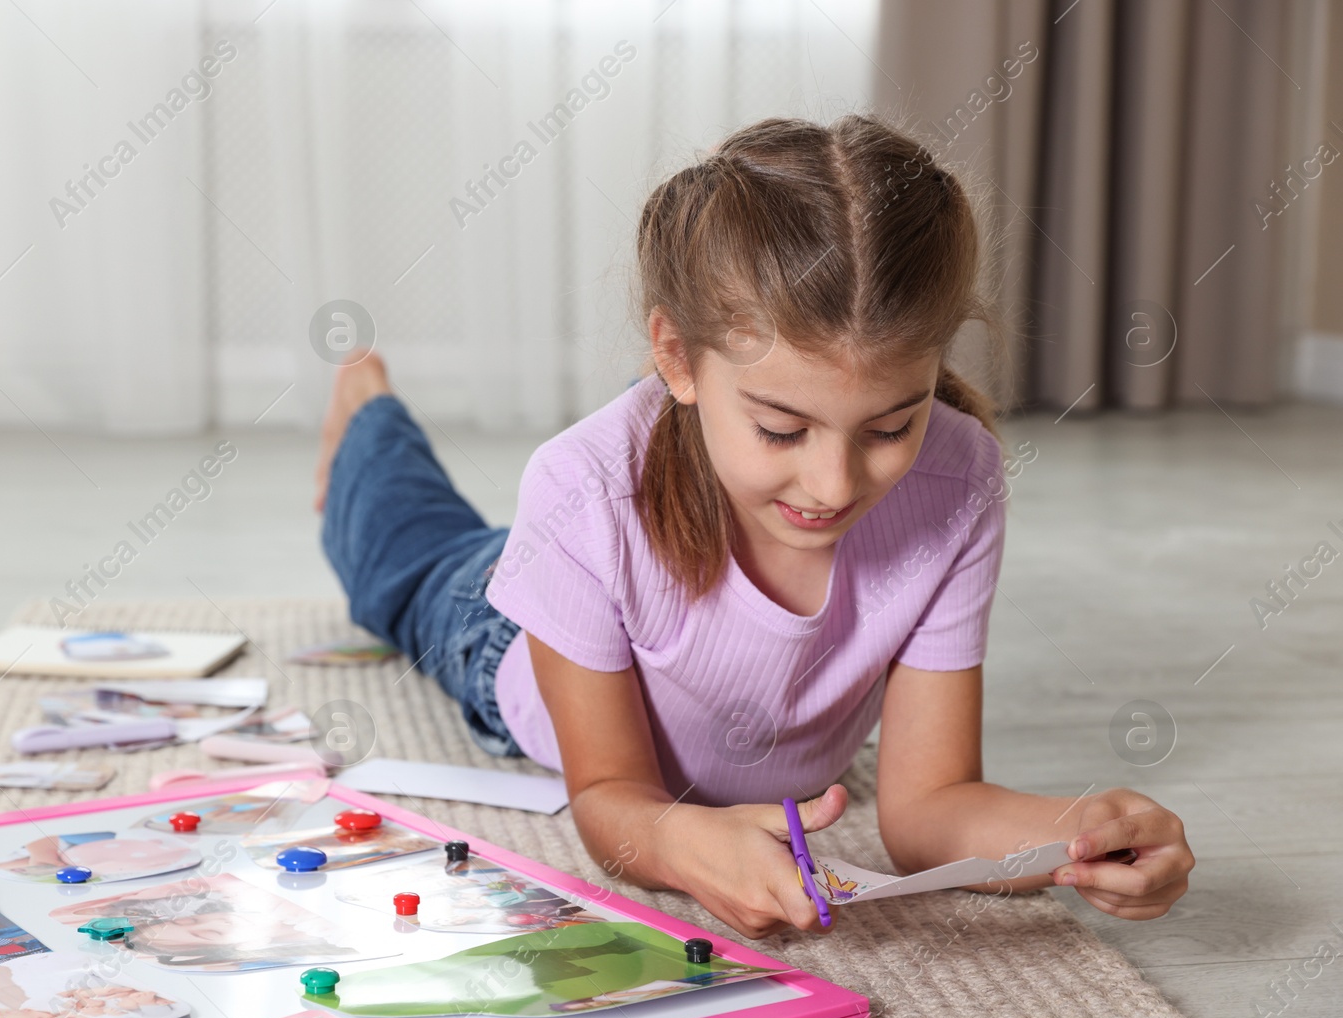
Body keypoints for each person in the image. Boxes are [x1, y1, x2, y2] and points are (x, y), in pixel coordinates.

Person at [314, 115, 1193, 939]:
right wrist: (678, 842)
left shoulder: (960, 478)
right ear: (675, 358)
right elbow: (612, 795)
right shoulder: (580, 489)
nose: (834, 482)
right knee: (397, 551)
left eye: (890, 427)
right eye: (782, 428)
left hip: (641, 493)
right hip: (499, 631)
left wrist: (1073, 835)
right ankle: (367, 403)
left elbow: (929, 807)